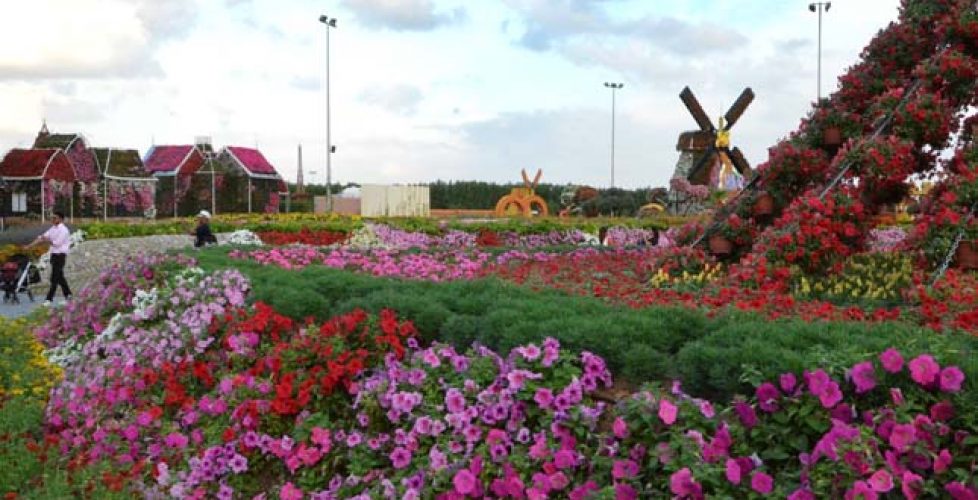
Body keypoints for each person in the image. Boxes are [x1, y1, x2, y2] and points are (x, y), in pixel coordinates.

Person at [25, 211, 72, 306]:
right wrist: (30, 246)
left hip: (60, 255)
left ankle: (49, 299)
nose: (53, 220)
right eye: (52, 218)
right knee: (60, 277)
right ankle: (69, 296)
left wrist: (47, 240)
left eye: (55, 218)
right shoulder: (52, 228)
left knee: (54, 278)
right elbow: (42, 237)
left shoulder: (64, 230)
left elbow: (57, 243)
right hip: (54, 255)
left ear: (61, 219)